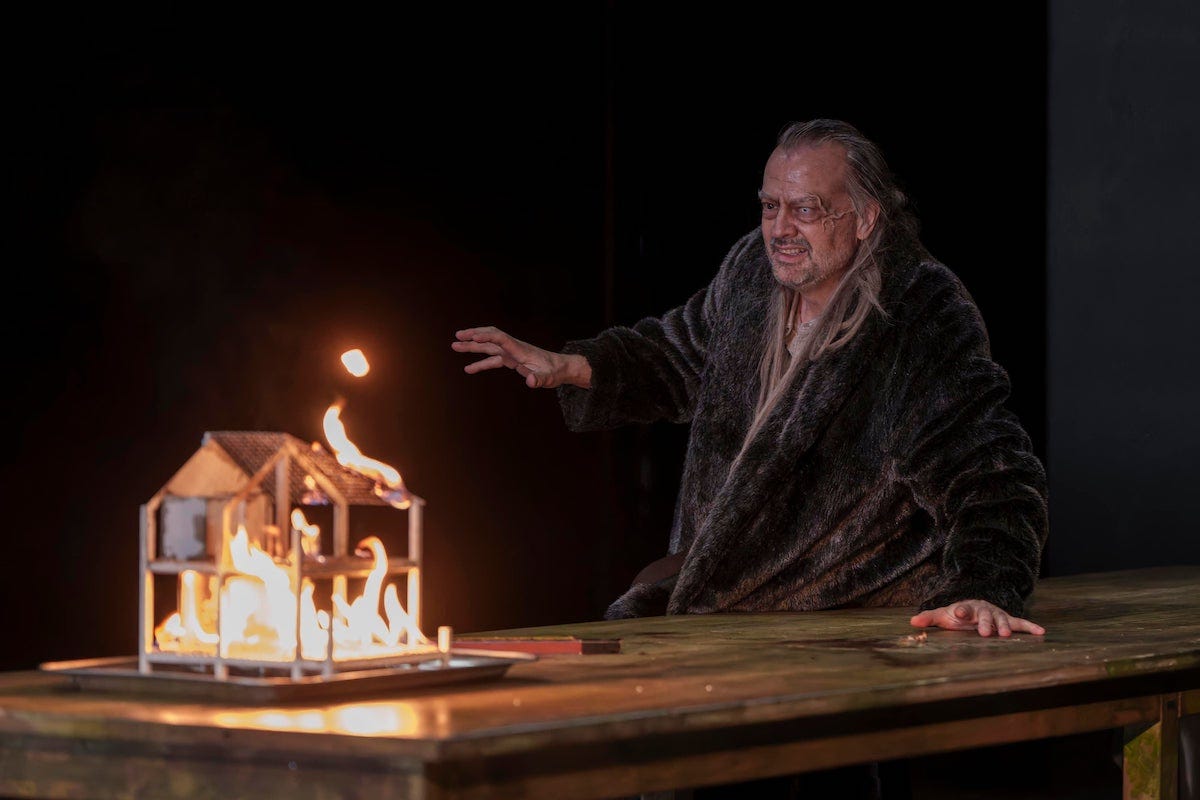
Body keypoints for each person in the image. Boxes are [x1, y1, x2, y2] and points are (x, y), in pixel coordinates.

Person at [451, 118, 1048, 641]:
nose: (780, 229)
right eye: (769, 207)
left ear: (866, 217)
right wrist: (569, 366)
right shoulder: (751, 273)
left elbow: (991, 473)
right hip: (719, 604)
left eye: (805, 209)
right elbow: (677, 354)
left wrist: (982, 586)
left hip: (842, 621)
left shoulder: (918, 310)